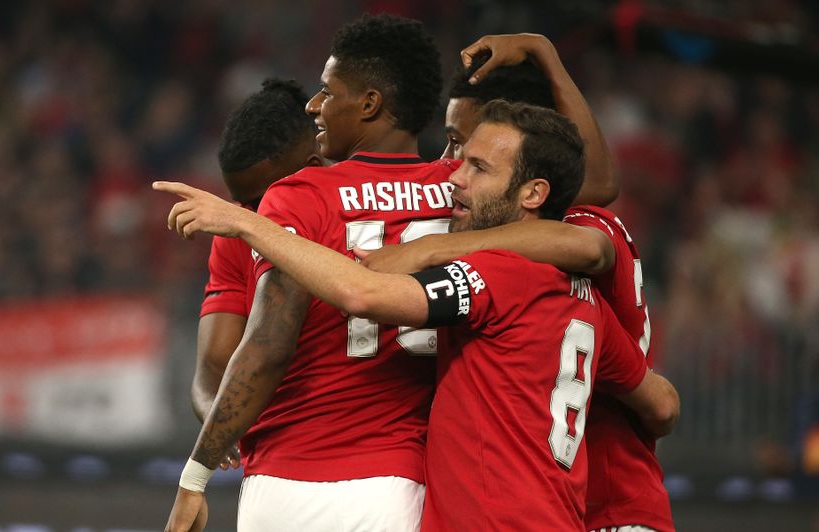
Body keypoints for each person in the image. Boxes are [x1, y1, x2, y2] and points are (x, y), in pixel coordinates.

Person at [156, 99, 680, 530]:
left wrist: (246, 224)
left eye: (477, 167)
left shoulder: (494, 277)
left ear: (533, 193)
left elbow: (361, 294)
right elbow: (662, 405)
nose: (456, 178)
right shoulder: (588, 304)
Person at [360, 34, 675, 531]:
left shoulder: (575, 235)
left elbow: (590, 245)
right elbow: (661, 407)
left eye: (466, 148)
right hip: (575, 504)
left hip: (605, 501)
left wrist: (430, 249)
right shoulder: (539, 229)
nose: (449, 163)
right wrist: (546, 53)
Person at [163, 14, 452, 532]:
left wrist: (196, 473)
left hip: (285, 483)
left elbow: (268, 345)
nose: (315, 104)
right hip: (396, 485)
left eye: (327, 91)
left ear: (369, 104)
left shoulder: (300, 195)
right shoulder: (463, 193)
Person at [191, 79, 323, 471]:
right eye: (242, 202)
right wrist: (218, 423)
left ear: (312, 166)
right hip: (278, 462)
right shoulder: (237, 232)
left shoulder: (354, 215)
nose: (253, 212)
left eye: (263, 197)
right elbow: (210, 371)